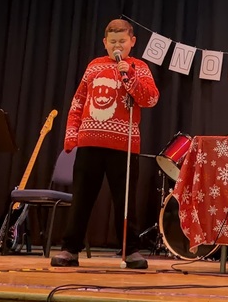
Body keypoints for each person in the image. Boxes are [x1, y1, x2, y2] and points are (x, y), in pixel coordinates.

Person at [52, 19, 159, 269]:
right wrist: (71, 134)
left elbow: (151, 98)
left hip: (124, 145)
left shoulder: (138, 67)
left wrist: (129, 76)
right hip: (90, 141)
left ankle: (130, 250)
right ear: (104, 43)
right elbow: (78, 101)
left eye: (122, 41)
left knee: (125, 201)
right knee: (82, 198)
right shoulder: (94, 66)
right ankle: (70, 249)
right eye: (112, 42)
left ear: (132, 42)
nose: (117, 46)